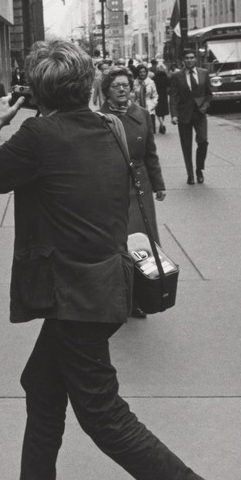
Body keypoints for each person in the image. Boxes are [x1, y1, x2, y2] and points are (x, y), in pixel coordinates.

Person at [0, 40, 232, 480]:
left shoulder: (39, 137)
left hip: (75, 298)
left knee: (106, 418)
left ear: (39, 93)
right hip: (103, 286)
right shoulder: (109, 127)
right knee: (41, 384)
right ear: (87, 85)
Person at [99, 66, 167, 320]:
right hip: (111, 187)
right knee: (116, 243)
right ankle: (118, 297)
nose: (122, 89)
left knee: (141, 243)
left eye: (125, 85)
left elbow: (150, 154)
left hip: (139, 186)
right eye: (116, 85)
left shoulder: (142, 114)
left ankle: (139, 297)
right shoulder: (99, 118)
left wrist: (158, 184)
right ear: (107, 90)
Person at [168, 50, 213, 185]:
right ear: (183, 60)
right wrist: (174, 115)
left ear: (196, 59)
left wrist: (204, 107)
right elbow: (174, 97)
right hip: (184, 115)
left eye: (192, 58)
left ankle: (199, 169)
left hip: (200, 114)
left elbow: (209, 94)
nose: (189, 60)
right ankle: (190, 174)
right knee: (186, 146)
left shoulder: (204, 73)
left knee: (203, 141)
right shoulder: (176, 76)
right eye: (187, 58)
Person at [133, 63, 159, 133]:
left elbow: (155, 95)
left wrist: (152, 105)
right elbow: (132, 97)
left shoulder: (151, 82)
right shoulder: (134, 83)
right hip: (138, 109)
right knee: (139, 131)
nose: (142, 74)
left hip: (149, 109)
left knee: (149, 132)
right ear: (138, 73)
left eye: (144, 72)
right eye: (140, 72)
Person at [153, 61, 171, 135]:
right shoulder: (166, 77)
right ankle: (161, 125)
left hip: (157, 95)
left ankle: (162, 124)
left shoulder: (154, 78)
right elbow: (169, 86)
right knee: (162, 111)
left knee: (158, 111)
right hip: (164, 95)